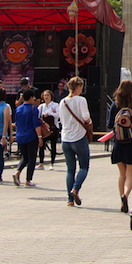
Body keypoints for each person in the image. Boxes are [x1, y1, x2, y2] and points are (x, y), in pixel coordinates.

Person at [108, 79, 132, 213]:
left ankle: (121, 199)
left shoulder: (114, 105)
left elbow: (109, 124)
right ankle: (126, 194)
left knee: (121, 174)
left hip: (118, 143)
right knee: (130, 175)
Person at [58, 76, 91, 207]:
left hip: (65, 138)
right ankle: (75, 189)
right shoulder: (81, 100)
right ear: (78, 87)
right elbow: (86, 117)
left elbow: (61, 119)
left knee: (70, 169)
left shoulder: (62, 102)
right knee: (83, 167)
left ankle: (69, 200)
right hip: (79, 137)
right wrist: (89, 123)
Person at [12, 88, 42, 187]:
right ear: (31, 97)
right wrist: (40, 137)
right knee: (32, 159)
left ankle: (17, 171)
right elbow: (36, 124)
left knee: (24, 157)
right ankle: (28, 180)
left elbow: (16, 123)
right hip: (31, 136)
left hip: (20, 135)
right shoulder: (34, 109)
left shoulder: (18, 109)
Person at [36, 89, 60, 170]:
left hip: (53, 127)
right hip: (44, 128)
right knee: (41, 145)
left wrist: (50, 113)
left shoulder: (55, 105)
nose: (46, 97)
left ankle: (52, 163)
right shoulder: (41, 106)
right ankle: (41, 163)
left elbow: (58, 115)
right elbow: (37, 116)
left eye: (48, 95)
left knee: (53, 146)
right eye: (45, 95)